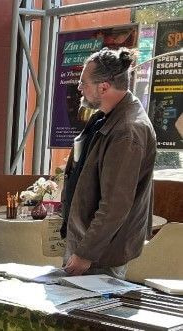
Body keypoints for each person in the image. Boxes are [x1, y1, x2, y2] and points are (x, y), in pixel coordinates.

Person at [61, 48, 156, 279]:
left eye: (84, 82)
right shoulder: (104, 117)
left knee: (85, 314)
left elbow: (115, 204)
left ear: (104, 86)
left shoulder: (127, 130)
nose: (79, 88)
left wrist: (86, 253)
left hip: (100, 254)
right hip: (85, 242)